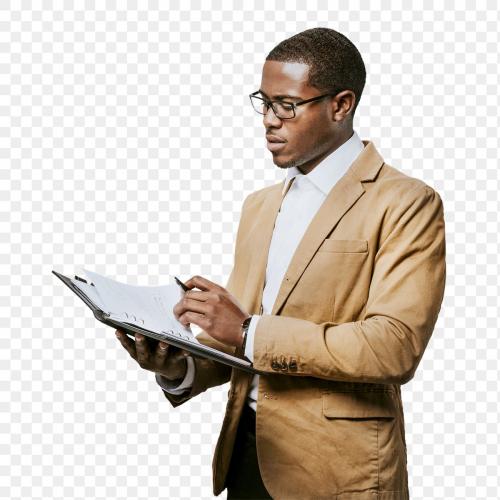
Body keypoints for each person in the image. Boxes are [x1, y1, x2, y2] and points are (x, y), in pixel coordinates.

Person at [115, 27, 446, 500]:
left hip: (339, 472)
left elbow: (393, 346)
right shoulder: (259, 205)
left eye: (287, 105)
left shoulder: (407, 202)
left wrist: (247, 330)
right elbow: (241, 341)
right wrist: (177, 365)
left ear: (341, 105)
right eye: (264, 103)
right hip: (246, 457)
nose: (269, 121)